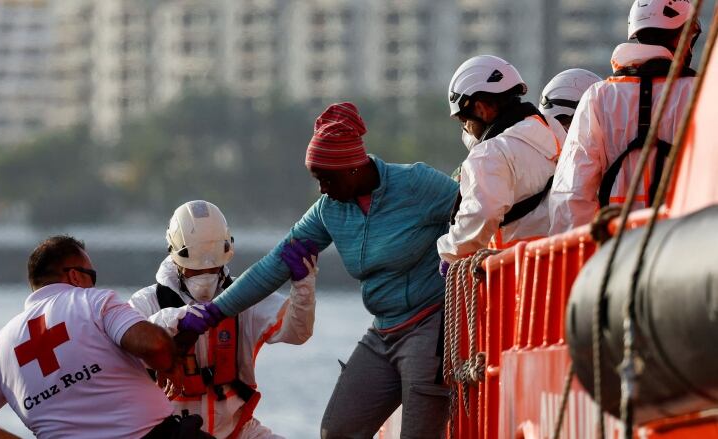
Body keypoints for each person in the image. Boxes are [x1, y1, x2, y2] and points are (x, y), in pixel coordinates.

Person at [189, 102, 459, 438]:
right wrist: (211, 314)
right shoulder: (329, 210)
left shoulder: (416, 183)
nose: (321, 188)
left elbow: (477, 211)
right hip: (383, 332)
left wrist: (458, 257)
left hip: (430, 325)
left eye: (326, 178)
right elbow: (273, 265)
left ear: (353, 167)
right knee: (338, 430)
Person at [0, 235, 208, 439]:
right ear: (74, 276)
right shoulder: (92, 301)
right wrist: (171, 366)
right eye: (91, 276)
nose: (94, 284)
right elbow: (156, 345)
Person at [128, 200, 318, 439]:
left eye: (213, 268)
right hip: (171, 434)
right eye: (195, 269)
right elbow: (127, 344)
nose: (205, 277)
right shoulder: (146, 301)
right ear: (175, 257)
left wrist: (303, 285)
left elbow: (298, 332)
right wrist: (175, 320)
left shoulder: (245, 294)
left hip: (238, 431)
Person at [549, 0, 701, 235]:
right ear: (682, 36)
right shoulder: (702, 93)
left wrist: (578, 258)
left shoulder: (599, 97)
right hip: (687, 244)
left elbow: (572, 193)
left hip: (617, 250)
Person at [437, 55, 567, 263]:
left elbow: (481, 216)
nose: (466, 129)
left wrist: (448, 252)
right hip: (563, 260)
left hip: (516, 276)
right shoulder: (553, 129)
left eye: (464, 120)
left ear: (480, 109)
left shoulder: (490, 153)